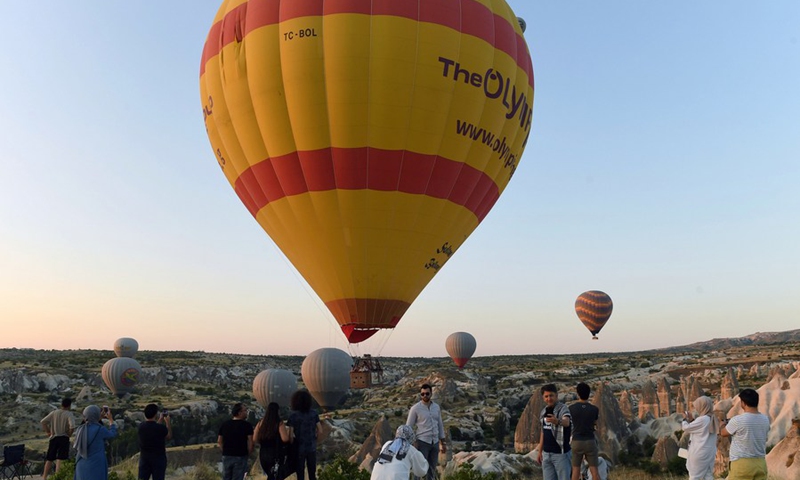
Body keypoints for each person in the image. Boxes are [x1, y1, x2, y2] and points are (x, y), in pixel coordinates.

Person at [720, 388, 770, 480]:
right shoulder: (765, 420)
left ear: (743, 403)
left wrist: (722, 424)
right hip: (760, 463)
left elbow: (723, 433)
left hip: (741, 464)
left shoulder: (738, 420)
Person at [406, 383, 446, 480]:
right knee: (419, 469)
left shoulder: (436, 407)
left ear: (431, 394)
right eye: (422, 394)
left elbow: (440, 425)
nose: (425, 396)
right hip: (422, 442)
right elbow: (408, 427)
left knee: (431, 470)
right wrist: (414, 441)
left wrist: (442, 442)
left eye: (427, 394)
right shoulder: (415, 408)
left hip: (435, 442)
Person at [536, 383, 572, 480]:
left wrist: (558, 421)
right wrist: (540, 452)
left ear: (556, 395)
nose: (549, 398)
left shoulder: (563, 408)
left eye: (551, 395)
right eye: (546, 396)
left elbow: (567, 422)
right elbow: (543, 432)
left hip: (561, 454)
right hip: (546, 454)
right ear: (543, 398)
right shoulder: (543, 412)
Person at [73, 405, 117, 480]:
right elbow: (113, 434)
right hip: (96, 464)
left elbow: (90, 422)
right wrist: (110, 419)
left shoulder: (80, 429)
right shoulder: (100, 430)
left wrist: (98, 417)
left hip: (81, 465)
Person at [681, 396, 719, 480]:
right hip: (709, 453)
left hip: (699, 453)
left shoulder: (703, 419)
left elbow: (686, 428)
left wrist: (685, 418)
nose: (696, 409)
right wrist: (692, 420)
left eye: (697, 406)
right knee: (708, 476)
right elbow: (700, 429)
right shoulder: (712, 418)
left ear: (702, 406)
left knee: (694, 476)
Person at [287, 390, 322, 480]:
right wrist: (315, 441)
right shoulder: (314, 413)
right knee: (312, 473)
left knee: (300, 473)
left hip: (299, 448)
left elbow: (290, 435)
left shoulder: (293, 416)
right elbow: (320, 430)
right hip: (311, 448)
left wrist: (291, 444)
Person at [254, 402, 292, 480]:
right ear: (277, 411)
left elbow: (255, 439)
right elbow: (285, 439)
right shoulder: (279, 423)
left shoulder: (260, 423)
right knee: (275, 476)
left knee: (270, 475)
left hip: (263, 454)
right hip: (275, 454)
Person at [568, 383, 599, 480]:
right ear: (589, 394)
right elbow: (595, 424)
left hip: (577, 441)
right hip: (590, 441)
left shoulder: (571, 409)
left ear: (578, 393)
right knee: (595, 473)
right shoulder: (594, 409)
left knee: (575, 472)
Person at [40, 397, 75, 479]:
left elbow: (43, 422)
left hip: (54, 437)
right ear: (69, 405)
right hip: (63, 438)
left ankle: (44, 477)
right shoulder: (69, 414)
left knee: (49, 458)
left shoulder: (54, 413)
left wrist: (48, 432)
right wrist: (69, 434)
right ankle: (57, 476)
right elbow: (72, 426)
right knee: (60, 458)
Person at [218, 402, 254, 480]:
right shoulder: (247, 425)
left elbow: (219, 441)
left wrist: (224, 451)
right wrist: (248, 453)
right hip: (240, 456)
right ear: (239, 412)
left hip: (227, 455)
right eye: (245, 410)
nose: (246, 412)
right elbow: (250, 441)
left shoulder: (225, 424)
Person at [138, 404, 173, 480]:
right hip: (158, 459)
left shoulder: (141, 426)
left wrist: (160, 419)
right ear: (156, 414)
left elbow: (153, 428)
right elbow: (169, 436)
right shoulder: (160, 428)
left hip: (144, 458)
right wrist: (168, 422)